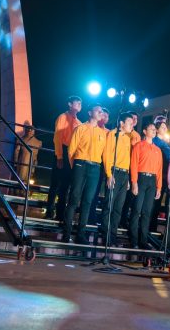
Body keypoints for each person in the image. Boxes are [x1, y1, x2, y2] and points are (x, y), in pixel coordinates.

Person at [62, 105, 106, 244]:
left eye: (102, 111)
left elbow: (104, 154)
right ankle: (66, 233)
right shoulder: (80, 128)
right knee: (74, 199)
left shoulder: (103, 133)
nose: (100, 113)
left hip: (95, 167)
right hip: (80, 164)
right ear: (90, 112)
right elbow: (71, 151)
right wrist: (75, 167)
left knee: (87, 201)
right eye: (98, 110)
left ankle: (80, 235)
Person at [99, 112, 134, 247]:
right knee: (109, 205)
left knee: (118, 207)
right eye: (129, 123)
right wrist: (109, 174)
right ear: (122, 123)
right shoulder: (113, 134)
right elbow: (107, 154)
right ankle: (105, 234)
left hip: (125, 174)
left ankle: (113, 236)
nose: (132, 125)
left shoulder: (128, 138)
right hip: (114, 172)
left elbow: (127, 159)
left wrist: (129, 179)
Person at [46, 95, 82, 221]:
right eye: (76, 103)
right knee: (55, 183)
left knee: (66, 185)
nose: (79, 105)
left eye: (80, 103)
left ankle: (60, 213)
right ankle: (49, 211)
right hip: (62, 150)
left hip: (71, 154)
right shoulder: (62, 117)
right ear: (69, 104)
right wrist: (59, 156)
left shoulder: (79, 123)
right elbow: (58, 137)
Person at [129, 121, 163, 249]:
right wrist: (134, 182)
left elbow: (159, 169)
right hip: (141, 178)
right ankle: (133, 240)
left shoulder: (158, 150)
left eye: (155, 129)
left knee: (147, 212)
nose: (154, 131)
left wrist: (159, 187)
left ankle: (143, 240)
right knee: (136, 209)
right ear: (144, 131)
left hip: (152, 181)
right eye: (151, 128)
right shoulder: (138, 146)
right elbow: (134, 164)